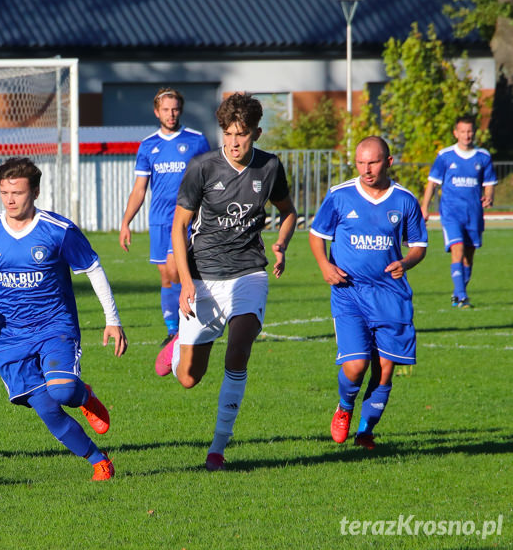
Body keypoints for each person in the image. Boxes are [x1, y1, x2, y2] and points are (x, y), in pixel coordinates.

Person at [0, 157, 128, 481]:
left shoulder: (58, 231)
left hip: (53, 326)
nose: (10, 200)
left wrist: (112, 319)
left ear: (35, 191)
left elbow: (93, 269)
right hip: (9, 338)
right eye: (4, 192)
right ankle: (99, 461)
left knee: (61, 391)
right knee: (47, 410)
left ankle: (82, 395)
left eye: (17, 192)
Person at [164, 92, 296, 471]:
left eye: (242, 134)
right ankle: (177, 349)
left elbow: (288, 212)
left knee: (238, 349)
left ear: (256, 132)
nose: (234, 142)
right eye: (228, 133)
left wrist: (282, 244)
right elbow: (179, 226)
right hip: (203, 277)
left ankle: (217, 448)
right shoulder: (202, 167)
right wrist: (186, 283)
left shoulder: (270, 167)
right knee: (189, 378)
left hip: (249, 272)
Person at [310, 136, 427, 450]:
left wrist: (406, 261)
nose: (366, 169)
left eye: (372, 162)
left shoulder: (404, 200)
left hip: (390, 295)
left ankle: (365, 431)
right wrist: (324, 266)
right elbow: (316, 234)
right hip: (350, 292)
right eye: (360, 163)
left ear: (388, 162)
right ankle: (345, 406)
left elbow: (419, 246)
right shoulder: (339, 196)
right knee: (356, 365)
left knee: (385, 368)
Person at [119, 88, 210, 352]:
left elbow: (209, 178)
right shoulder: (148, 145)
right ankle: (174, 330)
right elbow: (139, 189)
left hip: (186, 217)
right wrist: (126, 222)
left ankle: (185, 327)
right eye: (166, 110)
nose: (171, 114)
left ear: (181, 110)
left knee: (175, 268)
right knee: (167, 276)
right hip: (159, 219)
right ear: (156, 111)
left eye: (175, 109)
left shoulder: (196, 141)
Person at [420, 115, 497, 308]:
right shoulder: (445, 156)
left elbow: (489, 184)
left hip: (474, 214)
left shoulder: (483, 157)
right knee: (458, 247)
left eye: (470, 131)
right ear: (456, 133)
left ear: (474, 132)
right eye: (462, 131)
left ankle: (458, 293)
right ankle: (462, 297)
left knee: (469, 256)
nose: (466, 135)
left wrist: (489, 196)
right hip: (451, 213)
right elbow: (432, 183)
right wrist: (424, 207)